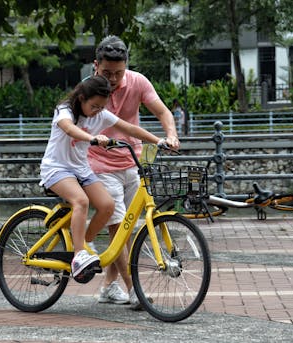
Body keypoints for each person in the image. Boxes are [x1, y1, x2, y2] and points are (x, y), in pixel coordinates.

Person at [39, 75, 163, 284]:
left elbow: (130, 129)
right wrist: (92, 139)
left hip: (81, 169)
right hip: (57, 169)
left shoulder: (101, 115)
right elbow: (69, 128)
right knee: (81, 201)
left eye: (101, 107)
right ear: (81, 98)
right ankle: (79, 256)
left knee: (107, 206)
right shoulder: (64, 110)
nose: (98, 111)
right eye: (94, 106)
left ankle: (86, 242)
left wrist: (160, 141)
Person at [87, 35, 180, 308]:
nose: (113, 79)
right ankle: (133, 289)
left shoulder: (138, 81)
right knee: (118, 227)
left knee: (126, 231)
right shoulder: (88, 88)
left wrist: (171, 134)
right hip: (100, 164)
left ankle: (107, 286)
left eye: (119, 73)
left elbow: (162, 111)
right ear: (96, 66)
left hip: (134, 162)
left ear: (126, 66)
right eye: (107, 73)